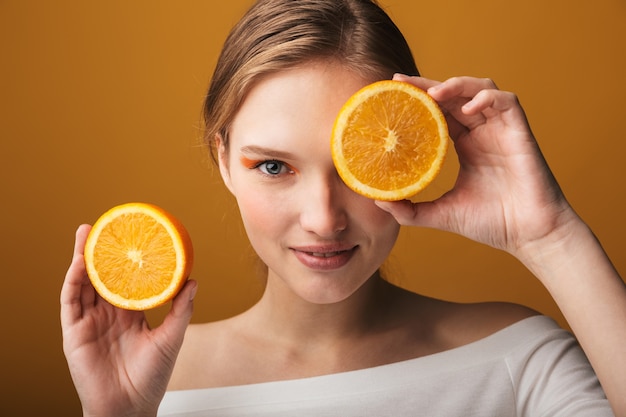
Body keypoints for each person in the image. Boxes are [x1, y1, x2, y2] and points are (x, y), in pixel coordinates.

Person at [60, 0, 626, 415]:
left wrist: (550, 236)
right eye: (275, 167)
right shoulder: (150, 382)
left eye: (355, 168)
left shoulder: (517, 359)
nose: (324, 218)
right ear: (225, 159)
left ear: (414, 154)